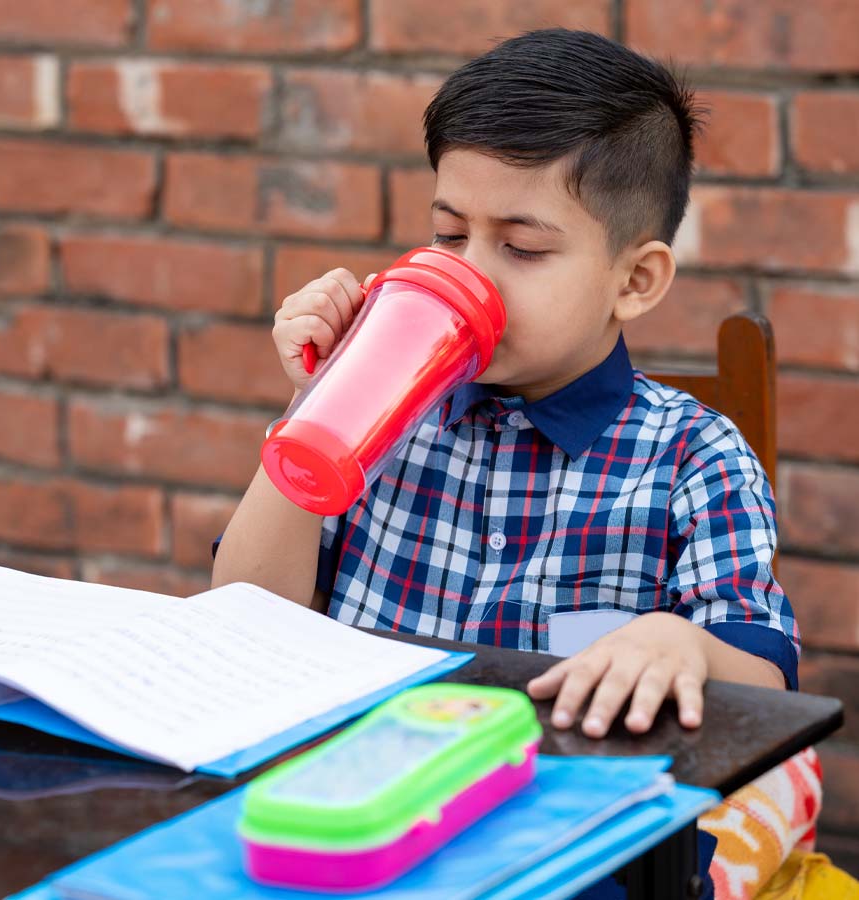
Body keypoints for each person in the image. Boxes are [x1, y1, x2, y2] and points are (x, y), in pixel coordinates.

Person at [213, 27, 798, 737]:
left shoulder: (692, 457)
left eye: (521, 248)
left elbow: (766, 691)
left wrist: (689, 648)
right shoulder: (381, 416)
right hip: (356, 782)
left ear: (635, 281)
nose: (471, 274)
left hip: (560, 815)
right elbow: (245, 618)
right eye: (450, 235)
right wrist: (318, 405)